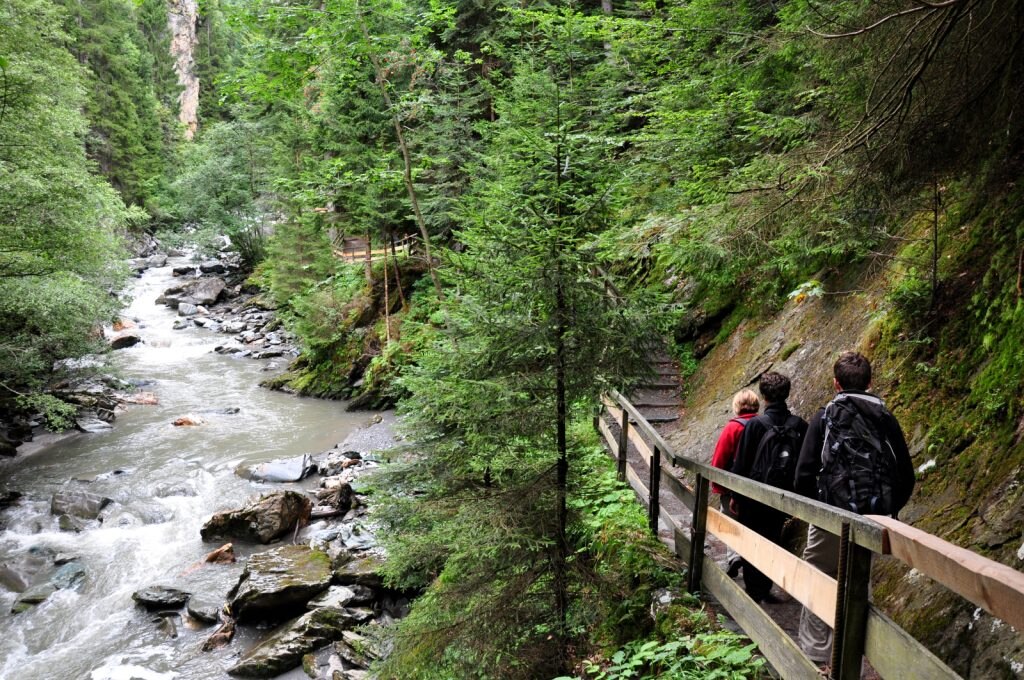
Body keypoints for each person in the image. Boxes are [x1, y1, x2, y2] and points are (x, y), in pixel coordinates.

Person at [793, 351, 915, 668]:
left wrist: (819, 510)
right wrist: (885, 509)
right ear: (870, 382)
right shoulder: (885, 418)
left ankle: (817, 657)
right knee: (858, 583)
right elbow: (905, 473)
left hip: (829, 515)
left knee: (819, 575)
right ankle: (853, 660)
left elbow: (803, 474)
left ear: (836, 383)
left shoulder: (824, 417)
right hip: (871, 518)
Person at [730, 371, 807, 603]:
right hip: (784, 496)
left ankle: (756, 592)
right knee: (774, 538)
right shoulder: (800, 425)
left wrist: (735, 496)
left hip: (754, 497)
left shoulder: (755, 425)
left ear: (763, 396)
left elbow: (741, 463)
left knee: (753, 540)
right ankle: (766, 587)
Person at [710, 389, 760, 577]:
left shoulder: (733, 427)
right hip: (758, 486)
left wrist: (718, 485)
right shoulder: (762, 425)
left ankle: (734, 557)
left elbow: (720, 459)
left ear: (737, 406)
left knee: (731, 523)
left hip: (733, 486)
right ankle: (749, 561)